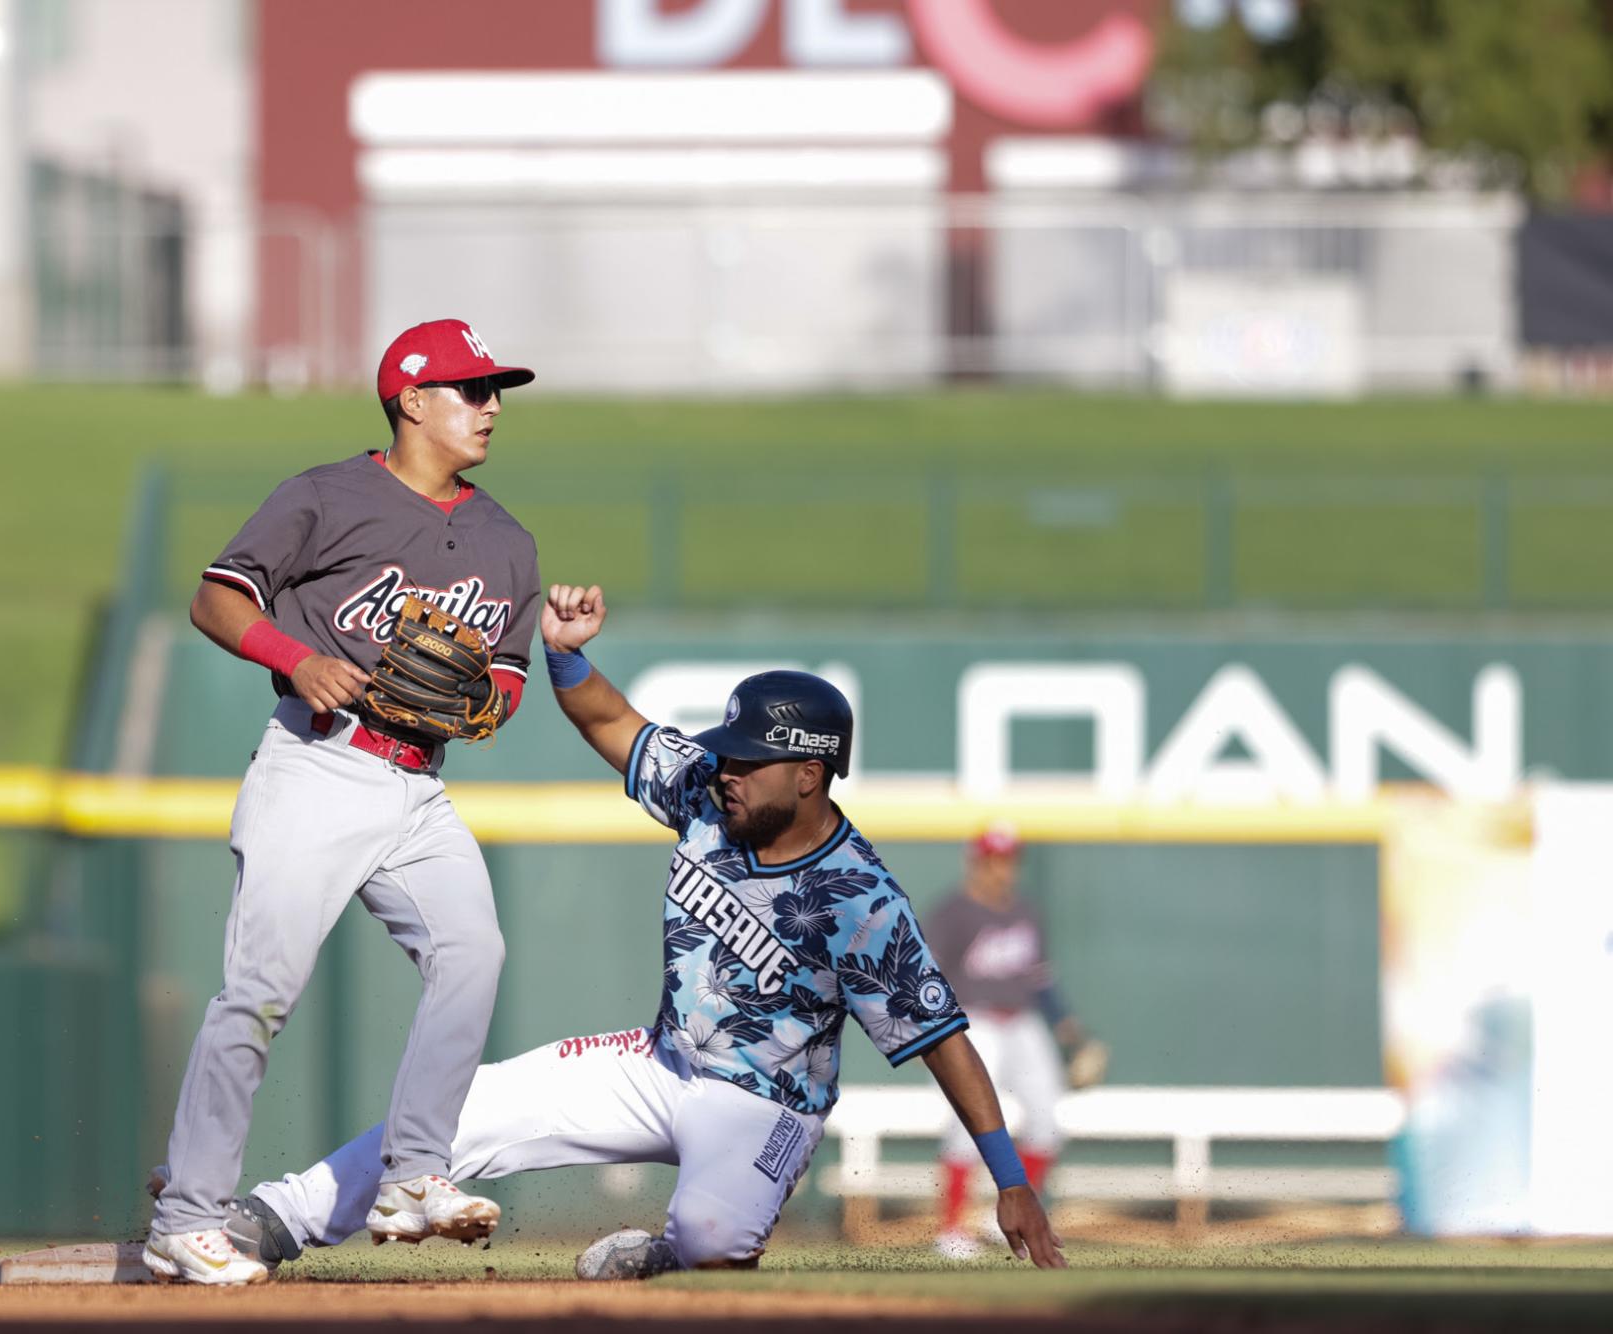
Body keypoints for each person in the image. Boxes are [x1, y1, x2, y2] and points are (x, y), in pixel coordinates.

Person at [179, 583, 1065, 1278]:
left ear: (808, 773)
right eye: (727, 754)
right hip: (660, 1060)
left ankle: (673, 1257)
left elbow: (943, 1040)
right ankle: (273, 1219)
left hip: (766, 1106)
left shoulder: (860, 899)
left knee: (713, 1237)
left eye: (749, 762)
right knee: (464, 1107)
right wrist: (567, 658)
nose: (728, 771)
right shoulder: (708, 799)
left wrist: (1011, 1181)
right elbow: (613, 721)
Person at [144, 319, 542, 1285]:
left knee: (472, 954)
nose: (490, 407)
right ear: (410, 397)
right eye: (470, 389)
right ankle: (189, 1214)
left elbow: (505, 679)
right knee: (260, 993)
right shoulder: (327, 497)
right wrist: (297, 656)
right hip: (316, 769)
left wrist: (493, 697)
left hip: (416, 785)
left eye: (496, 392)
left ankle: (413, 1174)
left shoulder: (506, 539)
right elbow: (217, 597)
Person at [923, 824, 1100, 1260]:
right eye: (994, 859)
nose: (1003, 869)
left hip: (1023, 1022)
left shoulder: (1025, 911)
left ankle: (1002, 1215)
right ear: (976, 861)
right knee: (967, 1122)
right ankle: (952, 1229)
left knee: (1047, 1121)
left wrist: (1070, 1031)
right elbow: (926, 973)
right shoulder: (954, 911)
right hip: (973, 1020)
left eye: (1009, 859)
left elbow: (1040, 980)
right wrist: (928, 1033)